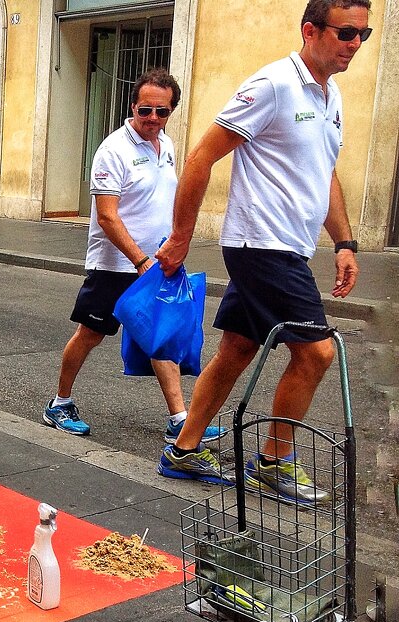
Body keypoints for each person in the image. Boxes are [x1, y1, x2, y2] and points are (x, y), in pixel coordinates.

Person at [155, 0, 368, 504]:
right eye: (346, 33)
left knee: (237, 349)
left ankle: (184, 451)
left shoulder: (331, 96)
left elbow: (325, 175)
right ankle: (275, 461)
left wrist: (344, 242)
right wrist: (181, 236)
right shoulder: (273, 85)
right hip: (261, 244)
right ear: (311, 30)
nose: (355, 45)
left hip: (289, 246)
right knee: (315, 353)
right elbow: (202, 155)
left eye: (364, 34)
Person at [43, 69, 224, 448]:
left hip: (157, 262)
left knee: (162, 339)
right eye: (146, 111)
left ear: (171, 111)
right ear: (133, 107)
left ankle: (179, 419)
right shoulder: (114, 150)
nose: (153, 119)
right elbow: (108, 216)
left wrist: (170, 246)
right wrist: (140, 260)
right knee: (90, 334)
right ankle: (59, 404)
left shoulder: (167, 146)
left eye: (162, 112)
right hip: (116, 265)